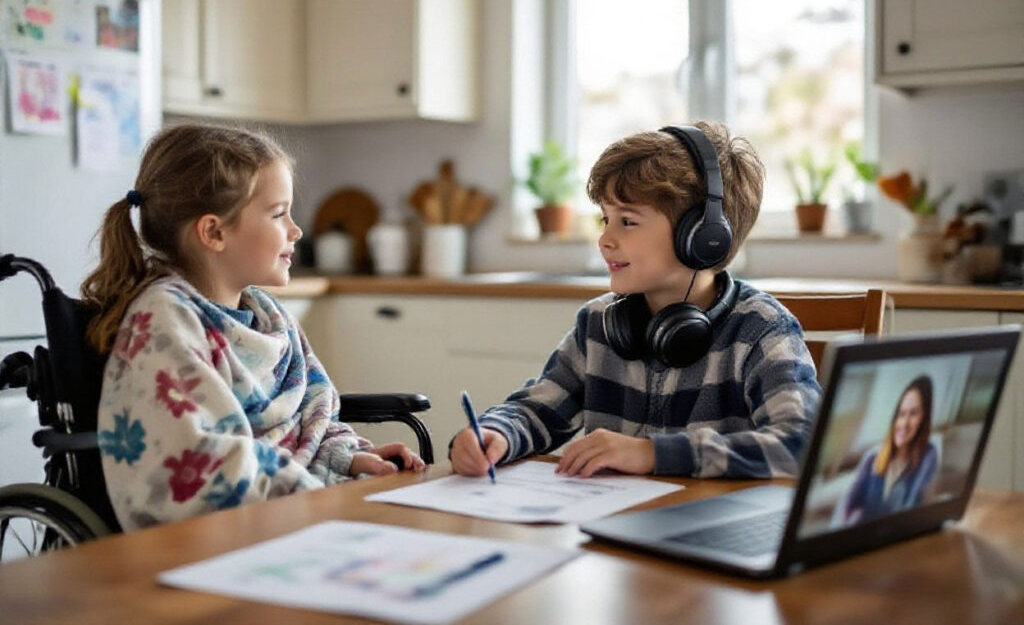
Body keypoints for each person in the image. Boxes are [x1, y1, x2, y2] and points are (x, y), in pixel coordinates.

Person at [84, 123, 424, 531]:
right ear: (214, 232)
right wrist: (323, 496)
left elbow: (309, 417)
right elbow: (203, 463)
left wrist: (345, 458)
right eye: (279, 214)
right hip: (224, 532)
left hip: (295, 507)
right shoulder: (164, 321)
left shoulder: (268, 314)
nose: (296, 230)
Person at [450, 122, 821, 479]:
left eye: (627, 221)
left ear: (703, 236)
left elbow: (804, 445)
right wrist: (495, 434)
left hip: (707, 533)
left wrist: (653, 453)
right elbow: (538, 409)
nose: (605, 240)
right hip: (611, 528)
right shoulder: (598, 323)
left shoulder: (759, 328)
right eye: (604, 219)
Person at [833, 375, 938, 526]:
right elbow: (847, 506)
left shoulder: (928, 456)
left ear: (924, 418)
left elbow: (913, 509)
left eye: (914, 413)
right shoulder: (872, 458)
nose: (904, 423)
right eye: (901, 414)